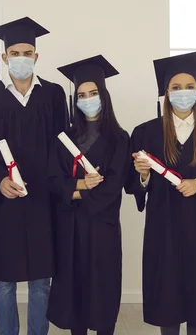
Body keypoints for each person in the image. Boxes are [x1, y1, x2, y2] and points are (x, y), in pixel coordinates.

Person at [0, 17, 68, 335]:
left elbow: (62, 147)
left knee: (41, 282)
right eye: (14, 52)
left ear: (36, 57)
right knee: (4, 284)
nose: (21, 57)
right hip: (5, 203)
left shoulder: (53, 96)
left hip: (41, 202)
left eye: (27, 52)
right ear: (4, 57)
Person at [125, 51, 196, 335]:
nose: (183, 93)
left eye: (189, 87)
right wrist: (143, 173)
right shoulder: (146, 133)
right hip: (165, 228)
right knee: (167, 295)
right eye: (176, 87)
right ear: (166, 92)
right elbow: (132, 184)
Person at [46, 55, 129, 335]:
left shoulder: (120, 138)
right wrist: (81, 185)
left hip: (102, 228)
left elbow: (113, 185)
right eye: (81, 94)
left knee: (102, 292)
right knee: (75, 294)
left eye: (93, 93)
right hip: (70, 229)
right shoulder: (64, 139)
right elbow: (54, 183)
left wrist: (73, 191)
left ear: (103, 95)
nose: (87, 98)